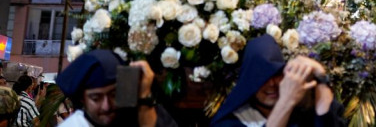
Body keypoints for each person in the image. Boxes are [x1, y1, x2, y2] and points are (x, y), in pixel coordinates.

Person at [210, 34, 345, 126]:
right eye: (263, 77)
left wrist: (321, 77)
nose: (272, 84)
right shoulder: (230, 121)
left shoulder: (299, 113)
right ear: (250, 82)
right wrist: (287, 100)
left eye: (276, 74)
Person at [55, 49, 177, 127]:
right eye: (96, 98)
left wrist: (144, 96)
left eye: (113, 94)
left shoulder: (144, 113)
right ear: (82, 99)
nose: (106, 106)